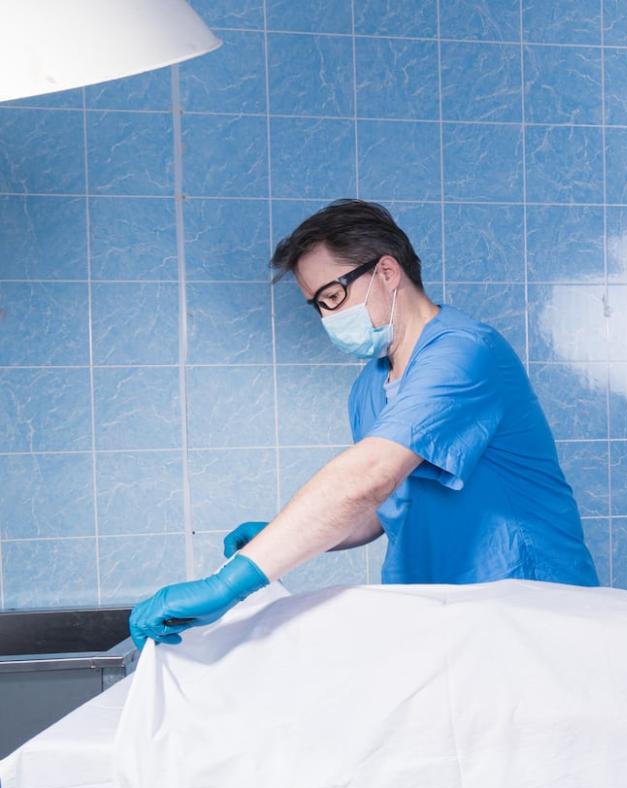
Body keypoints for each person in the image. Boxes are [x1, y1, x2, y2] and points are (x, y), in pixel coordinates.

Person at [129, 199, 599, 649]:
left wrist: (229, 583)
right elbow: (380, 508)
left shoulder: (464, 353)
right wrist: (280, 535)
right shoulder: (370, 388)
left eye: (333, 296)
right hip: (442, 613)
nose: (328, 317)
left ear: (387, 272)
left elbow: (369, 476)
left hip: (529, 605)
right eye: (317, 305)